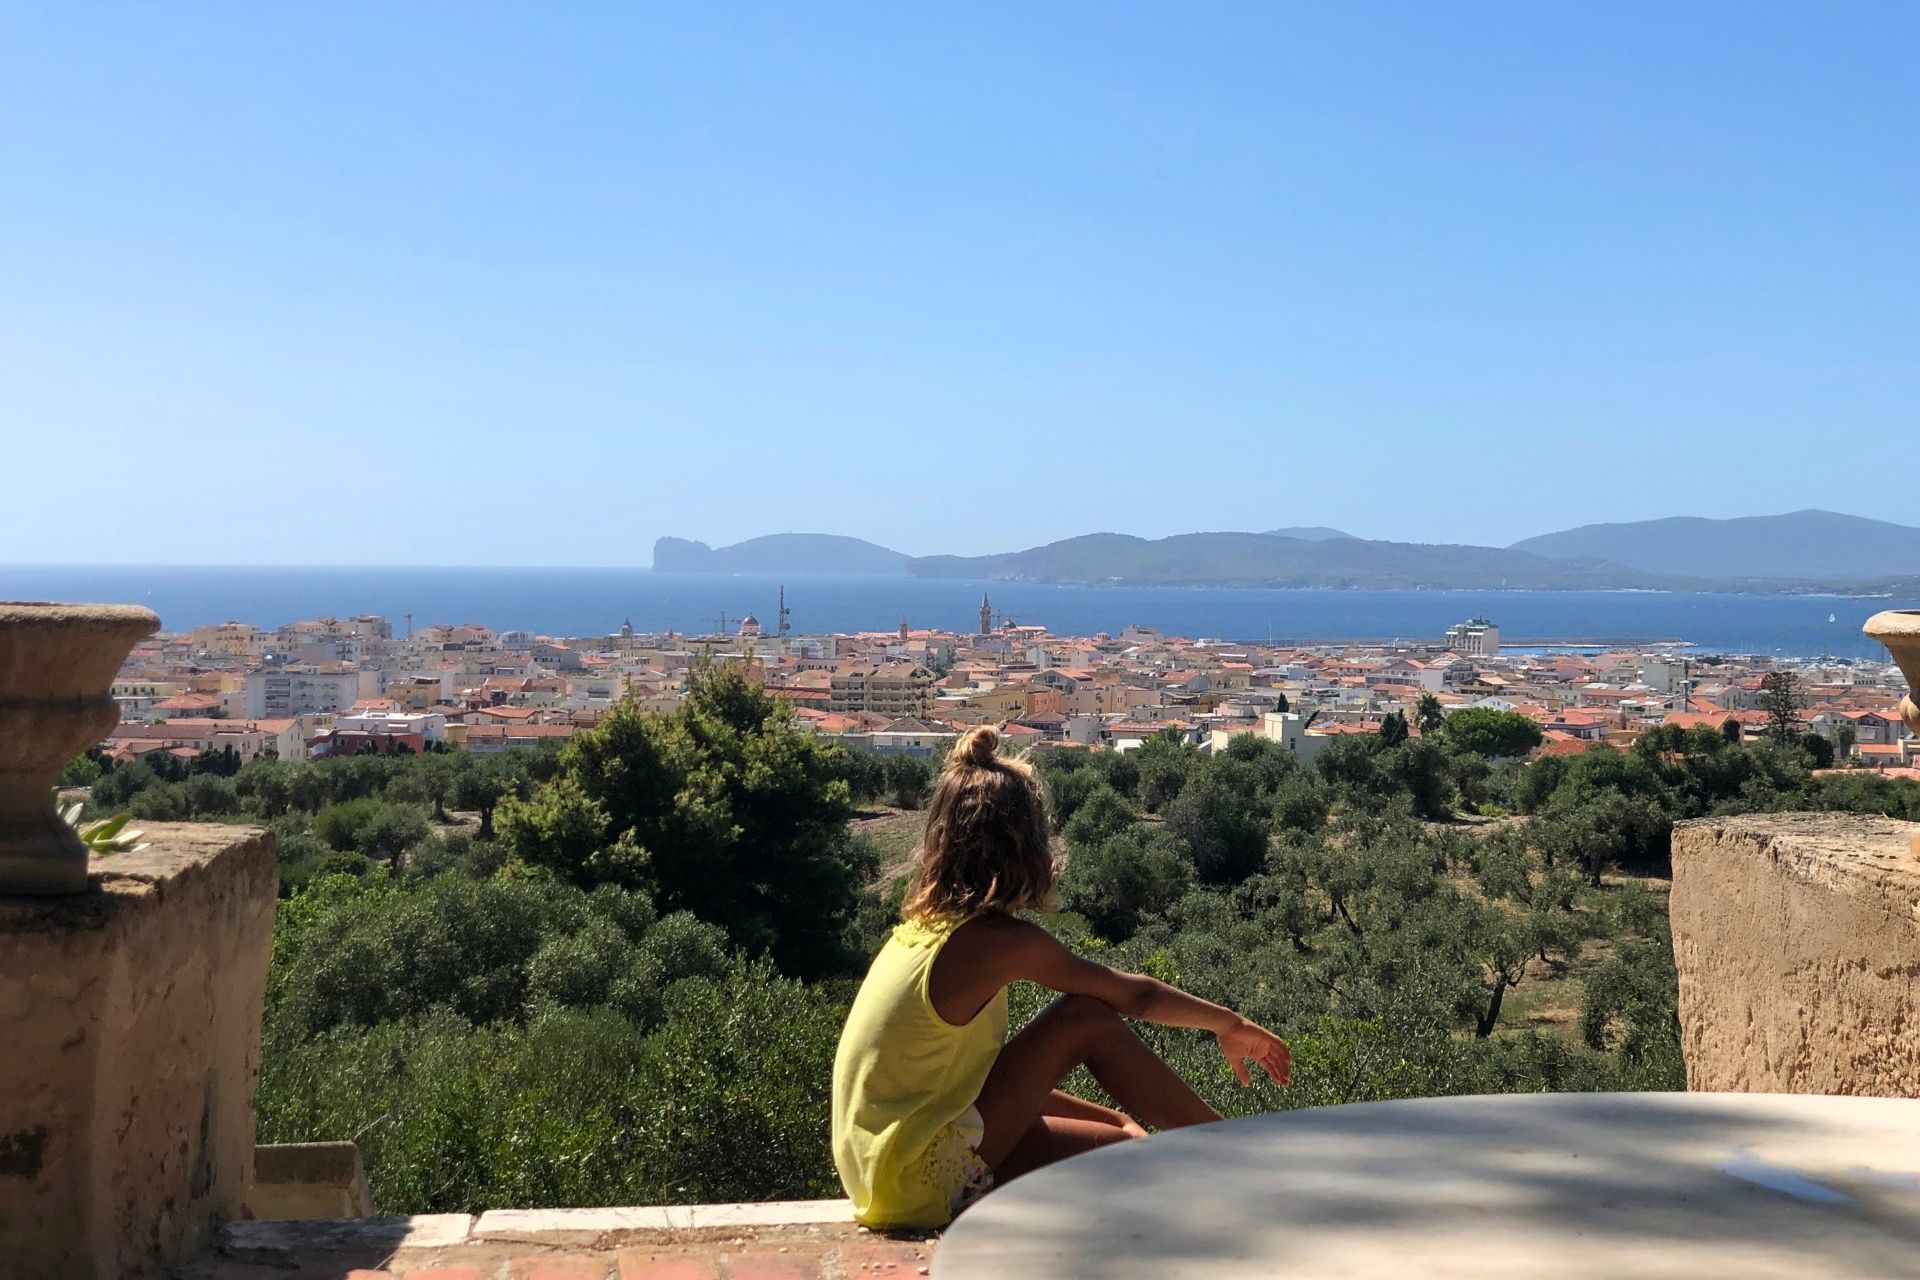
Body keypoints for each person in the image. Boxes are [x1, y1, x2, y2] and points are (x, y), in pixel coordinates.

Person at [830, 725, 1291, 1230]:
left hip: (886, 1175)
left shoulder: (921, 932)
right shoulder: (998, 943)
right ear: (1025, 845)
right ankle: (1241, 1155)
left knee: (1123, 1141)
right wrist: (1229, 1023)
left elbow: (971, 1078)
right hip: (915, 1175)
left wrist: (1113, 1118)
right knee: (1084, 1017)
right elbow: (1132, 995)